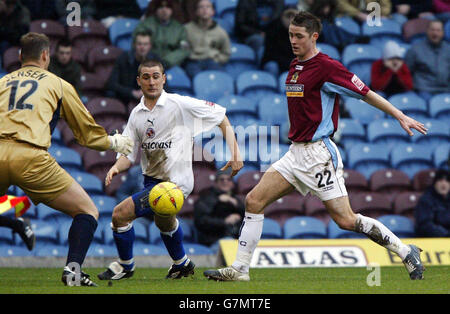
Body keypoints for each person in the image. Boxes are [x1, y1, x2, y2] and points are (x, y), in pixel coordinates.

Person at [204, 11, 428, 282]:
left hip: (318, 154)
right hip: (295, 152)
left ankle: (406, 251)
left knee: (345, 220)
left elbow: (365, 93)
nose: (293, 41)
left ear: (314, 37)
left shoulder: (328, 67)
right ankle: (239, 270)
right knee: (253, 200)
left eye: (299, 36)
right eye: (290, 35)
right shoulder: (294, 66)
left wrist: (400, 115)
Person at [0, 32, 134, 286]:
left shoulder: (2, 82)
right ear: (45, 56)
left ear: (19, 57)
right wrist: (113, 142)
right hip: (31, 156)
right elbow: (85, 134)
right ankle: (73, 271)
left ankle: (15, 221)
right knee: (87, 211)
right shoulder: (58, 83)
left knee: (5, 201)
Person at [97, 59, 243, 281]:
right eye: (146, 77)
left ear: (164, 79)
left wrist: (235, 153)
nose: (151, 81)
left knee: (119, 214)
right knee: (164, 222)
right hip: (151, 180)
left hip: (175, 182)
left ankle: (125, 267)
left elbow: (221, 117)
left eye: (156, 76)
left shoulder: (179, 104)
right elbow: (128, 153)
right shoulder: (136, 115)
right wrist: (117, 167)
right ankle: (182, 264)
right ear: (139, 81)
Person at [106, 31, 161, 105]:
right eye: (139, 44)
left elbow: (164, 85)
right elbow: (111, 84)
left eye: (145, 44)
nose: (142, 47)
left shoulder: (155, 60)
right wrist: (131, 92)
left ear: (150, 46)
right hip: (126, 100)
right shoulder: (123, 59)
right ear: (134, 45)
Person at [194, 169, 244, 249]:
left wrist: (237, 205)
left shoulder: (236, 200)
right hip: (213, 242)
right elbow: (201, 221)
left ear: (233, 184)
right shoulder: (206, 198)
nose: (225, 182)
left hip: (236, 240)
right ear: (215, 183)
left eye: (229, 179)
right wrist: (225, 221)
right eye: (221, 179)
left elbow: (248, 217)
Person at [133, 0, 189, 69]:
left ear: (172, 10)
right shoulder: (146, 25)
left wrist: (166, 61)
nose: (164, 10)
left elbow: (184, 49)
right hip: (148, 63)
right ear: (155, 10)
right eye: (160, 7)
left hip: (170, 64)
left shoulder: (179, 28)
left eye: (168, 7)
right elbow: (137, 43)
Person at [183, 0, 231, 79]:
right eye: (201, 7)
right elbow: (182, 47)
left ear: (213, 12)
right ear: (196, 12)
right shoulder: (186, 29)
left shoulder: (221, 32)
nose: (204, 9)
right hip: (193, 62)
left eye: (208, 7)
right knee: (198, 79)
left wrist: (217, 59)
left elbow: (226, 52)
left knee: (222, 78)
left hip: (212, 61)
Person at [404, 19, 450, 102]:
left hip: (446, 90)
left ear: (443, 32)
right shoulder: (415, 49)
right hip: (424, 91)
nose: (435, 33)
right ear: (427, 31)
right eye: (432, 30)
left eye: (438, 30)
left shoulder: (448, 49)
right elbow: (407, 71)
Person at [415, 169, 450, 237]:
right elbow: (425, 225)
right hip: (431, 239)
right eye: (440, 180)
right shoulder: (426, 200)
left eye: (447, 181)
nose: (444, 184)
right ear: (435, 183)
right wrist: (446, 234)